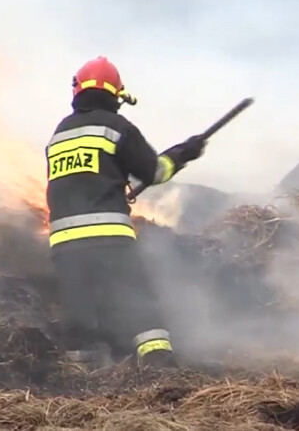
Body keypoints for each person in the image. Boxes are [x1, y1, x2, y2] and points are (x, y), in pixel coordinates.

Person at [45, 56, 206, 369]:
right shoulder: (117, 127)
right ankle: (158, 363)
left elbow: (76, 181)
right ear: (115, 95)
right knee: (135, 298)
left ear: (77, 91)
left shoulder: (59, 134)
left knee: (80, 310)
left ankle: (80, 377)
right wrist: (184, 152)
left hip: (64, 243)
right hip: (109, 237)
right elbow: (155, 172)